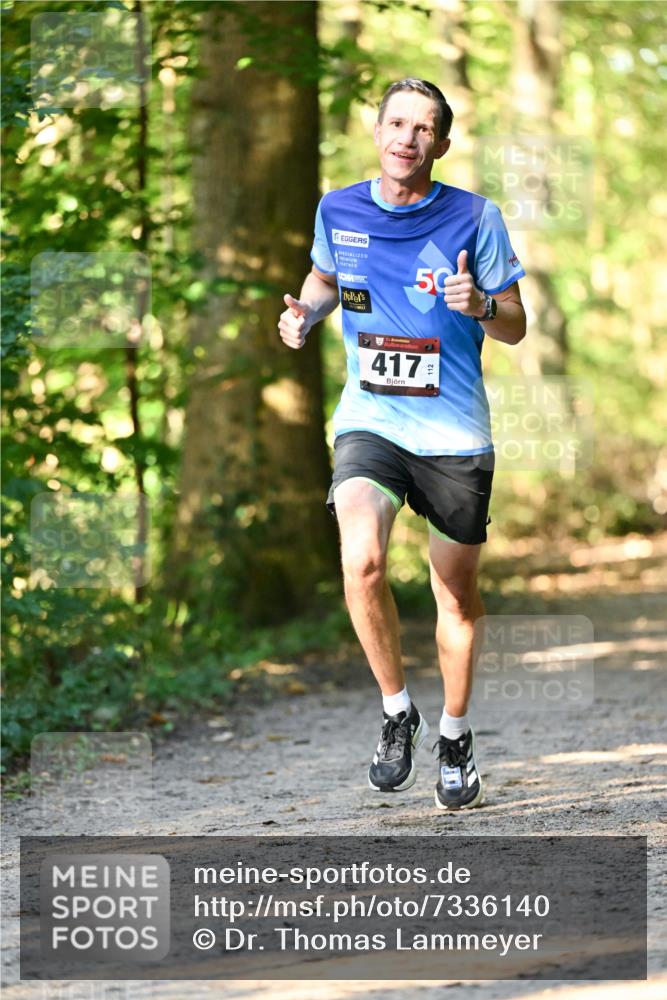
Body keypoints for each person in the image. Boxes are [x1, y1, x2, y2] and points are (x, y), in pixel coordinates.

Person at [278, 78, 526, 811]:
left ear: (440, 145)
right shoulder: (337, 208)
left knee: (455, 595)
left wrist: (482, 304)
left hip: (454, 432)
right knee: (362, 561)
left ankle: (454, 733)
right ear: (377, 131)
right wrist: (305, 315)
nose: (407, 138)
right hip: (371, 420)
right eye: (396, 123)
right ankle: (397, 713)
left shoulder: (475, 217)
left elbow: (515, 323)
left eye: (423, 129)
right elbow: (324, 279)